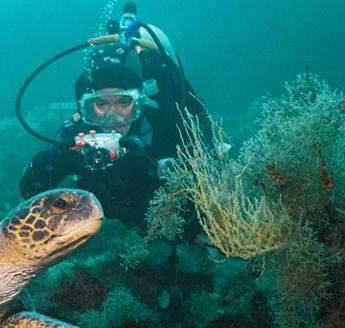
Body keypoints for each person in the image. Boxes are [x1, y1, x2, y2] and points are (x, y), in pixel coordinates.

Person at [19, 27, 209, 228]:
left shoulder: (163, 126)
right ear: (87, 106)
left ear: (140, 103)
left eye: (124, 103)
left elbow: (201, 207)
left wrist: (152, 174)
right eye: (101, 104)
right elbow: (29, 194)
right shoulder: (76, 132)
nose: (113, 117)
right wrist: (51, 162)